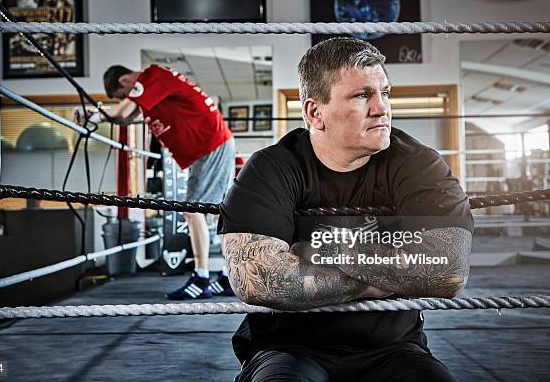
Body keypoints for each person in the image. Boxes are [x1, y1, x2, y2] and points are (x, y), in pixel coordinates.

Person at [218, 37, 473, 381]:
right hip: (289, 347)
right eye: (362, 95)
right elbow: (259, 280)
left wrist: (325, 252)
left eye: (385, 93)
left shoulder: (417, 163)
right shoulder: (272, 168)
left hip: (393, 348)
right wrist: (381, 278)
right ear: (314, 112)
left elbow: (448, 269)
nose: (381, 108)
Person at [77, 64, 235, 300]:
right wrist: (95, 116)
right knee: (217, 212)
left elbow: (122, 111)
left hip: (209, 145)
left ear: (124, 81)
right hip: (210, 144)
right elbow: (126, 117)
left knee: (192, 210)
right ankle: (227, 277)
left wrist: (98, 115)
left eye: (123, 95)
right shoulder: (151, 88)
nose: (127, 98)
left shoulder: (152, 76)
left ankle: (202, 277)